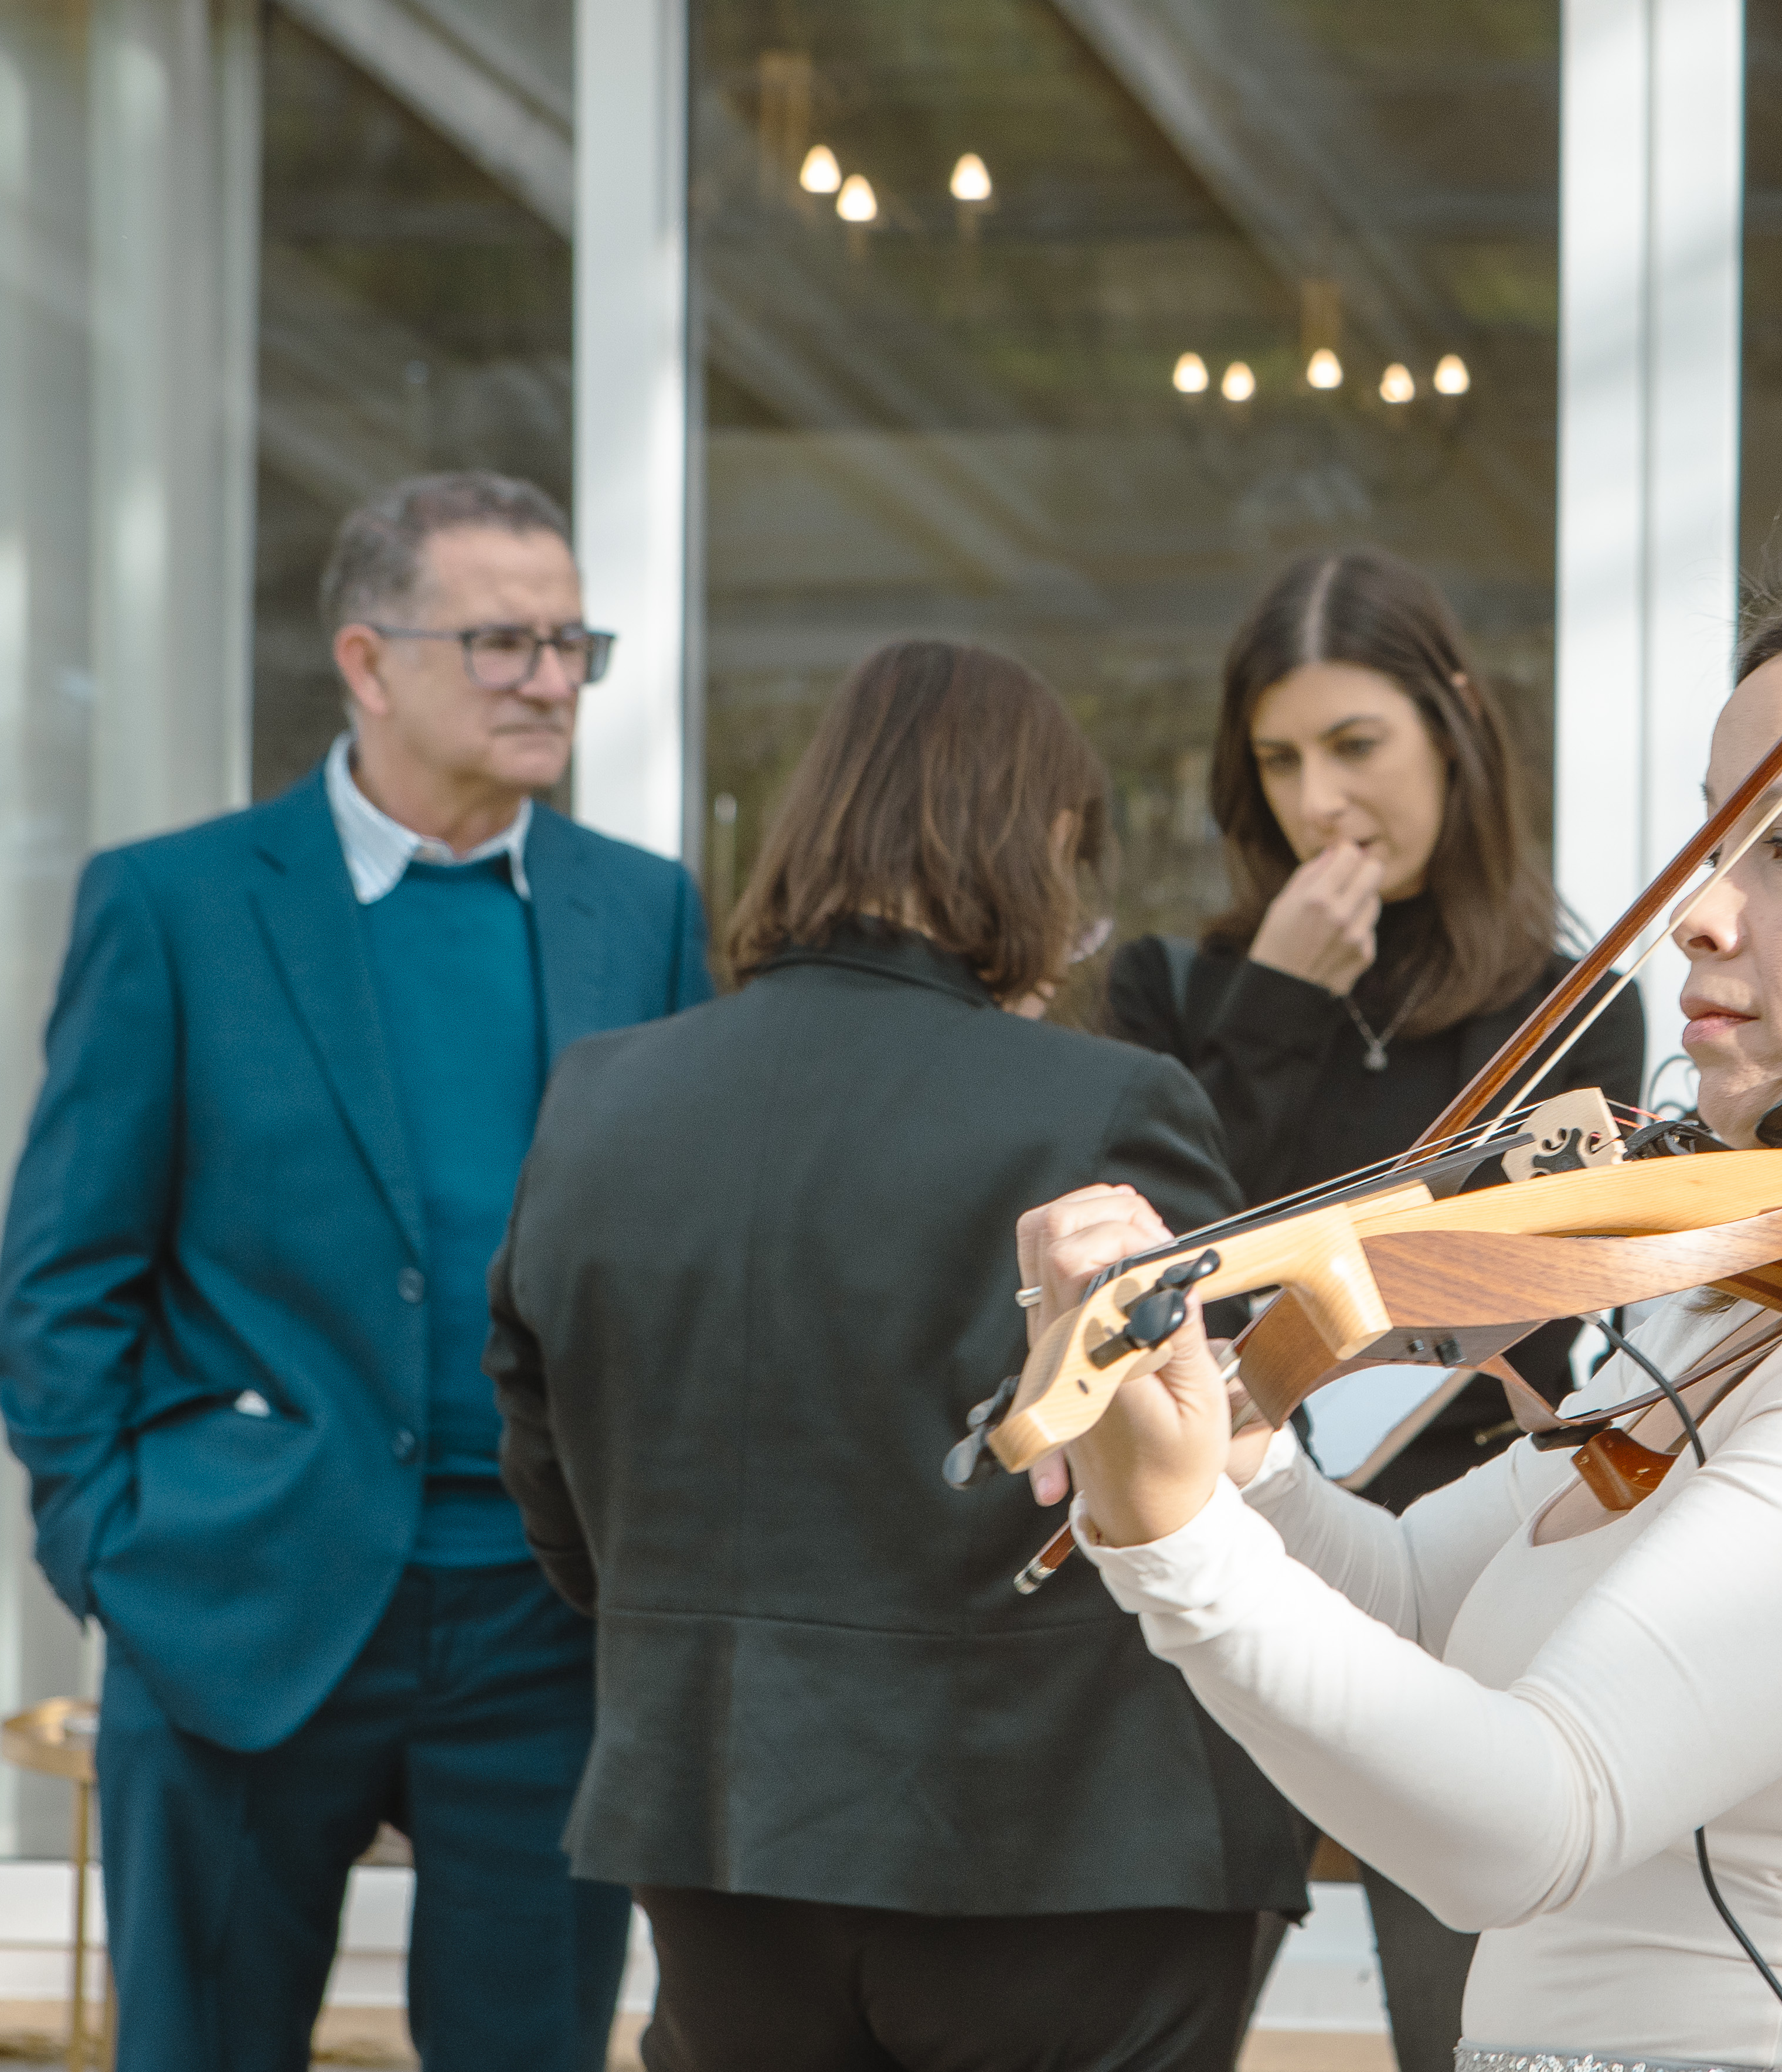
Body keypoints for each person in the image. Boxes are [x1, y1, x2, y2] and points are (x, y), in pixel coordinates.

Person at [1024, 570, 1782, 2072]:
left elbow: (1530, 1821)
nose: (1697, 913)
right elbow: (1414, 1605)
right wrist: (1232, 1465)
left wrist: (1177, 1550)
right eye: (1709, 836)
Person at [482, 638, 1311, 2072]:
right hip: (1069, 1849)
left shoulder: (600, 1098)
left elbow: (559, 1506)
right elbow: (1207, 1478)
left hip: (718, 1837)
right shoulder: (1108, 1103)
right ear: (1034, 841)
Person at [0, 472, 708, 2072]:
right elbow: (64, 1277)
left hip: (546, 1620)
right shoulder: (174, 906)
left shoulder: (642, 913)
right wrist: (107, 1548)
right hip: (240, 1605)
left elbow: (679, 1264)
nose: (548, 679)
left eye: (570, 641)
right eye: (502, 640)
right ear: (368, 661)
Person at [1103, 546, 1642, 2070]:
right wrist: (1268, 1011)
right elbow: (1173, 1270)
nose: (1317, 803)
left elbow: (1543, 1316)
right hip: (1215, 1548)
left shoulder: (1566, 1003)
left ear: (1451, 734)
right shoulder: (1175, 992)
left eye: (1356, 747)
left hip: (1450, 1573)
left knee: (1457, 2013)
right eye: (1278, 761)